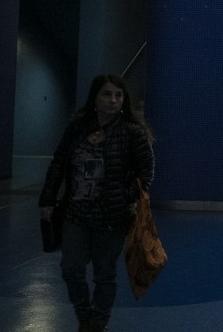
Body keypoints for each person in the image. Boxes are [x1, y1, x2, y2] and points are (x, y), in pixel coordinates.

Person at [40, 74, 155, 332]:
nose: (113, 100)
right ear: (95, 97)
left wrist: (127, 195)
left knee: (104, 273)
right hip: (76, 212)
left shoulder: (131, 132)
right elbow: (58, 164)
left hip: (112, 216)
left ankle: (97, 323)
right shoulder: (77, 128)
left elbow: (146, 171)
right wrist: (47, 198)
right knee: (71, 268)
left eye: (118, 95)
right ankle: (85, 315)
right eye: (107, 94)